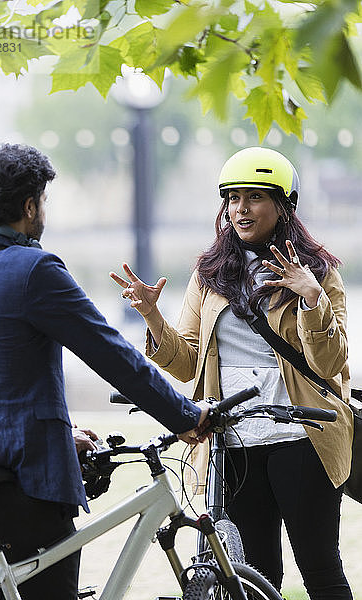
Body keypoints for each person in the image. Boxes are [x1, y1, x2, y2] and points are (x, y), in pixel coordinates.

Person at [0, 143, 210, 600]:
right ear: (30, 207)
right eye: (43, 200)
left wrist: (54, 431)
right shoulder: (34, 269)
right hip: (19, 483)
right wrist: (186, 417)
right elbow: (113, 357)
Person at [110, 146, 354, 598]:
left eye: (255, 197)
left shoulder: (320, 272)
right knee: (255, 574)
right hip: (233, 441)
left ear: (284, 206)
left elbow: (331, 364)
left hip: (303, 436)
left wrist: (311, 299)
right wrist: (152, 318)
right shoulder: (209, 272)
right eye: (233, 198)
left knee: (320, 569)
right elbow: (186, 364)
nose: (241, 209)